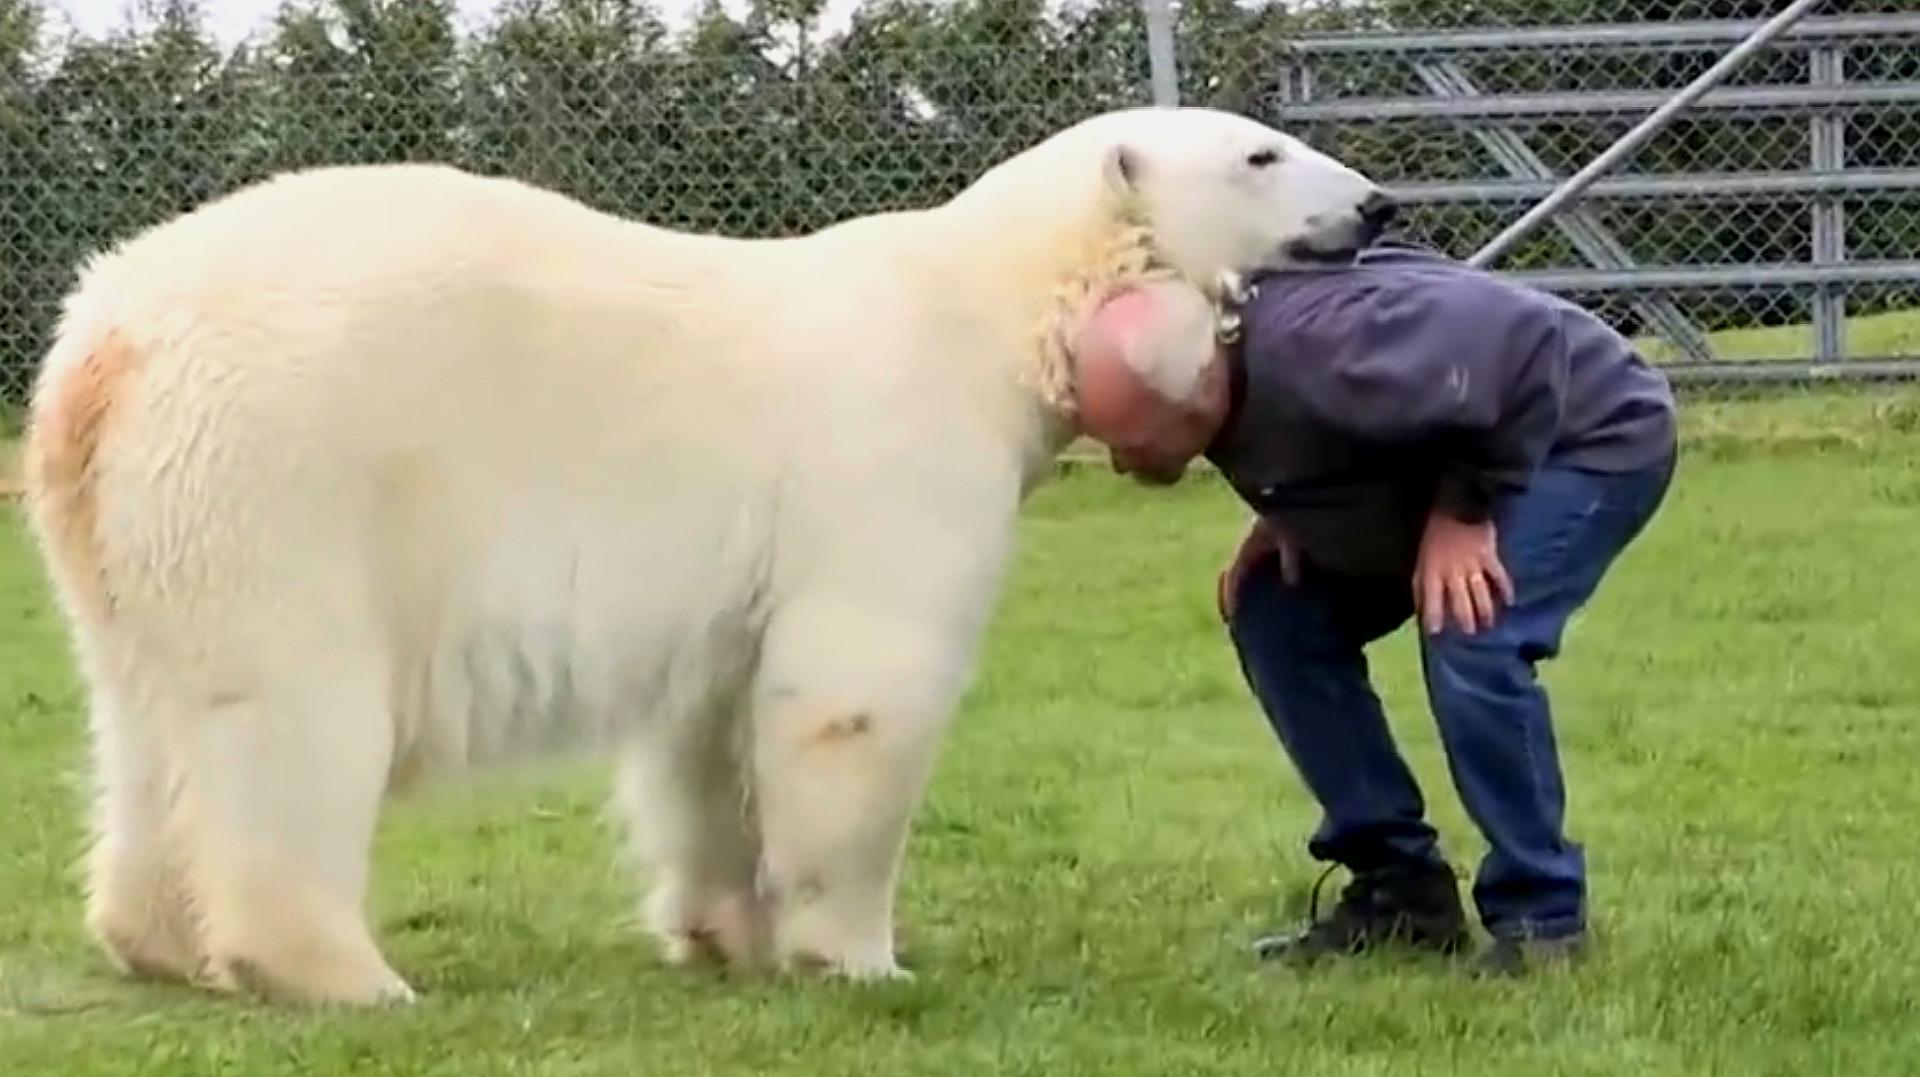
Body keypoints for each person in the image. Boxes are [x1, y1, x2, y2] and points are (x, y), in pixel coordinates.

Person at [1069, 235, 1678, 977]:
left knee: (1472, 627)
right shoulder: (1213, 366)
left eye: (1130, 439)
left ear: (1196, 392)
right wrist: (1293, 515)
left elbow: (1524, 347)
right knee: (1275, 611)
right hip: (1465, 449)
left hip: (1581, 433)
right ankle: (1403, 894)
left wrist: (1462, 509)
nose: (1120, 462)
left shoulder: (1319, 347)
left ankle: (1542, 917)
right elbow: (1356, 425)